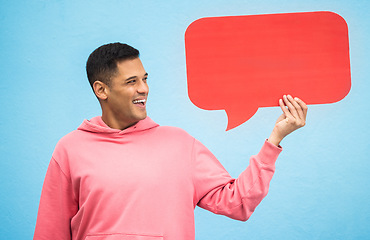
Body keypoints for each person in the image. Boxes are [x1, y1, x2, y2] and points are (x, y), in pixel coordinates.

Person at [33, 42, 307, 240]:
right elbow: (51, 232)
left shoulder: (179, 144)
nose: (144, 89)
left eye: (144, 78)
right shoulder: (70, 149)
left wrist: (275, 140)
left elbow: (237, 203)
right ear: (101, 90)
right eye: (131, 81)